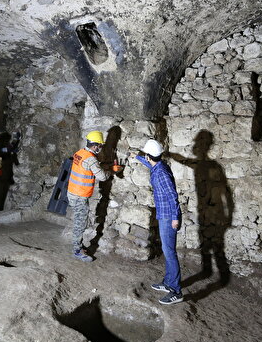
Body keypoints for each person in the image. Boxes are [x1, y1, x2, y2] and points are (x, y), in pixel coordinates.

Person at [130, 139, 184, 305]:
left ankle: (176, 291)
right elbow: (151, 166)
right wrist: (137, 157)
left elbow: (173, 195)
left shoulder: (161, 172)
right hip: (164, 214)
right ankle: (168, 283)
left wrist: (175, 218)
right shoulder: (159, 166)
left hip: (169, 216)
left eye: (145, 155)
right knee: (166, 249)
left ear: (149, 156)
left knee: (169, 252)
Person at [67, 130, 119, 262]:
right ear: (95, 145)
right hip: (80, 195)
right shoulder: (91, 158)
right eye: (100, 146)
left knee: (79, 220)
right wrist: (112, 171)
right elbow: (101, 176)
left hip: (72, 192)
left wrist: (101, 166)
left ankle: (78, 245)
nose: (100, 148)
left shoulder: (79, 153)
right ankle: (77, 250)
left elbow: (88, 167)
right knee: (80, 223)